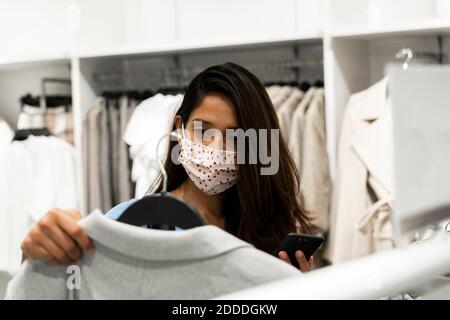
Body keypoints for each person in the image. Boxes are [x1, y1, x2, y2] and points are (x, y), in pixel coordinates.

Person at [21, 62, 314, 272]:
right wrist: (35, 257)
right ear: (179, 128)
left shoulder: (268, 229)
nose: (216, 149)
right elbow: (70, 284)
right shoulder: (132, 222)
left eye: (233, 137)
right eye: (203, 130)